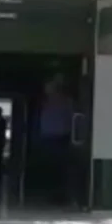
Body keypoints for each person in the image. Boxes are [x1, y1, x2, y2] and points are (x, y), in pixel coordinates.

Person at [36, 73, 77, 208]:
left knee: (59, 169)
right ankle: (54, 194)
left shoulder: (65, 101)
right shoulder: (46, 102)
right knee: (52, 168)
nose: (47, 89)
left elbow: (71, 119)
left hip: (60, 138)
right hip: (49, 138)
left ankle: (61, 195)